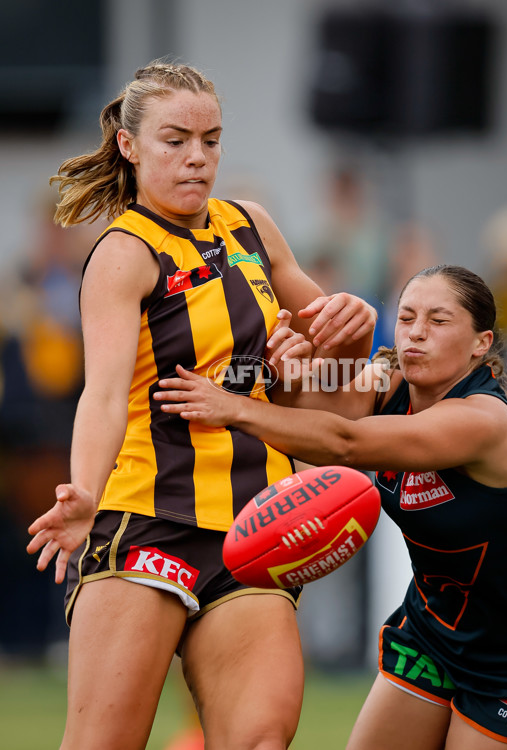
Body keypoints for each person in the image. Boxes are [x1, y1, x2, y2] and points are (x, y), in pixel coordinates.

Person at [25, 59, 377, 750]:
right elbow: (100, 394)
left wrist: (356, 331)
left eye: (211, 140)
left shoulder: (251, 225)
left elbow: (336, 377)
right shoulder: (125, 254)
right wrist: (84, 495)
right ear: (130, 146)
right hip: (145, 524)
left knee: (260, 741)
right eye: (175, 140)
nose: (197, 158)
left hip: (255, 529)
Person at [154, 264, 507, 748]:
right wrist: (278, 366)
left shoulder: (483, 422)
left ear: (480, 343)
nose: (416, 334)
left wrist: (235, 408)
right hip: (433, 630)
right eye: (406, 318)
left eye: (439, 321)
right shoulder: (389, 380)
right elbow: (313, 408)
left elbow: (344, 442)